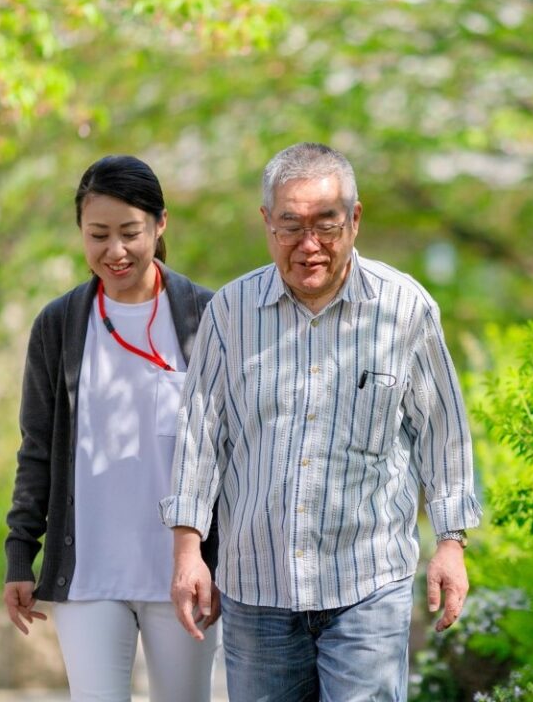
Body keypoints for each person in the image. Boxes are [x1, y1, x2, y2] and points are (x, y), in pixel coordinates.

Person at [159, 142, 483, 701]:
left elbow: (442, 433)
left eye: (326, 225)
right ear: (267, 224)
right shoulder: (230, 314)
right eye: (291, 226)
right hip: (257, 590)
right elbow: (199, 440)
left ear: (354, 220)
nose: (309, 245)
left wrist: (451, 544)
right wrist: (189, 552)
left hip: (367, 584)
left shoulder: (404, 310)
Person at [3, 155, 221, 702]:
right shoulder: (59, 324)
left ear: (160, 224)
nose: (114, 250)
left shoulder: (208, 317)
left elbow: (232, 451)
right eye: (97, 234)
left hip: (184, 574)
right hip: (89, 574)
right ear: (80, 230)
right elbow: (36, 449)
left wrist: (220, 561)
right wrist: (18, 553)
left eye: (130, 232)